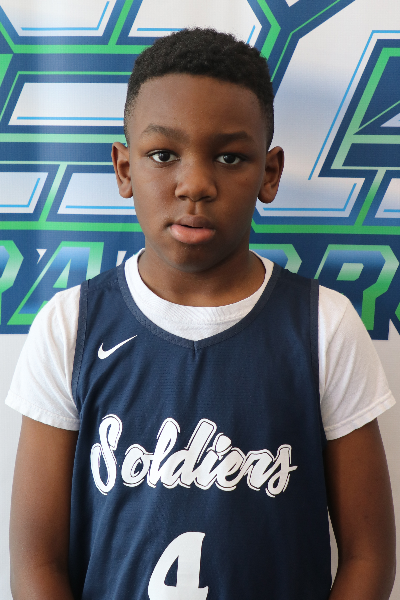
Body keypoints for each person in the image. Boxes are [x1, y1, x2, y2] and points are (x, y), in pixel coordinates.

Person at [7, 28, 396, 600]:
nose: (194, 184)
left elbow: (369, 557)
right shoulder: (70, 326)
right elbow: (35, 563)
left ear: (268, 173)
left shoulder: (324, 326)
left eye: (229, 157)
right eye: (163, 155)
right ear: (124, 168)